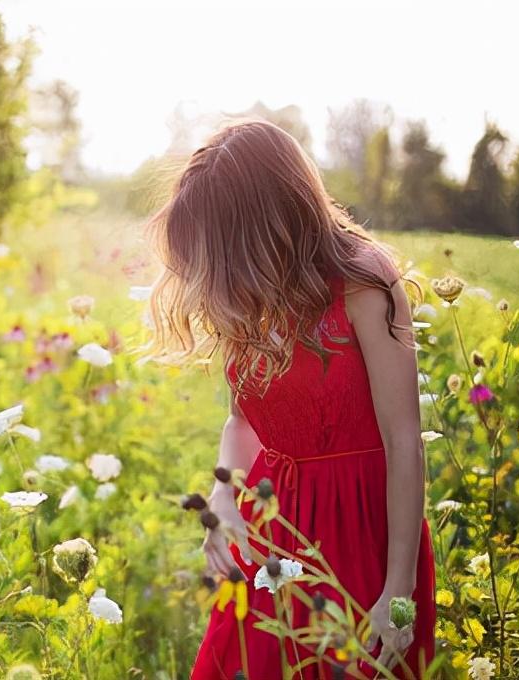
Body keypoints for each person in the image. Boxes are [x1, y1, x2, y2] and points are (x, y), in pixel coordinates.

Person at [139, 117, 437, 679]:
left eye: (226, 241)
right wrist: (222, 499)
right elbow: (242, 423)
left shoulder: (364, 282)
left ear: (267, 221)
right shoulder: (249, 293)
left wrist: (399, 593)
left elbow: (404, 442)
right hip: (275, 530)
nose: (220, 265)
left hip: (365, 532)